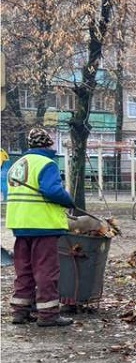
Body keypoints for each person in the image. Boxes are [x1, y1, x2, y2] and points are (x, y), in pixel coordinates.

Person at [6, 128, 75, 327]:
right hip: (42, 225)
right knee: (46, 270)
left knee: (24, 270)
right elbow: (52, 190)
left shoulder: (16, 164)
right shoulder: (47, 163)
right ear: (47, 144)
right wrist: (68, 200)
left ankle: (20, 311)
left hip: (20, 225)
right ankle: (49, 315)